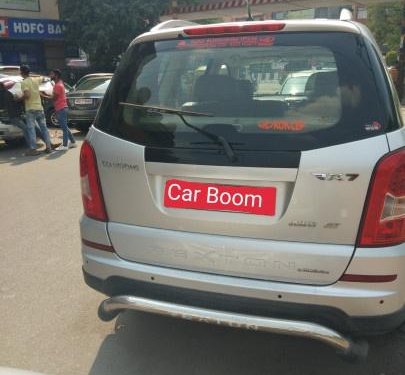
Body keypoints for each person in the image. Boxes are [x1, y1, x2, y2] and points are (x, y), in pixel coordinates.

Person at [19, 65, 55, 155]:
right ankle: (49, 147)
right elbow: (45, 79)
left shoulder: (24, 83)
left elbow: (27, 95)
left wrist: (19, 98)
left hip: (30, 109)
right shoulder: (36, 80)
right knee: (44, 128)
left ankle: (33, 149)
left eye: (20, 72)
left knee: (31, 129)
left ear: (22, 72)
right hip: (39, 108)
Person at [47, 69, 77, 151]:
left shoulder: (58, 85)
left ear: (56, 76)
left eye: (52, 74)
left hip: (61, 108)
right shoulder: (59, 83)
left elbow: (54, 97)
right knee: (65, 127)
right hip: (62, 108)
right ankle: (73, 142)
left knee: (64, 128)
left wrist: (45, 95)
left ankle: (64, 145)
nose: (50, 75)